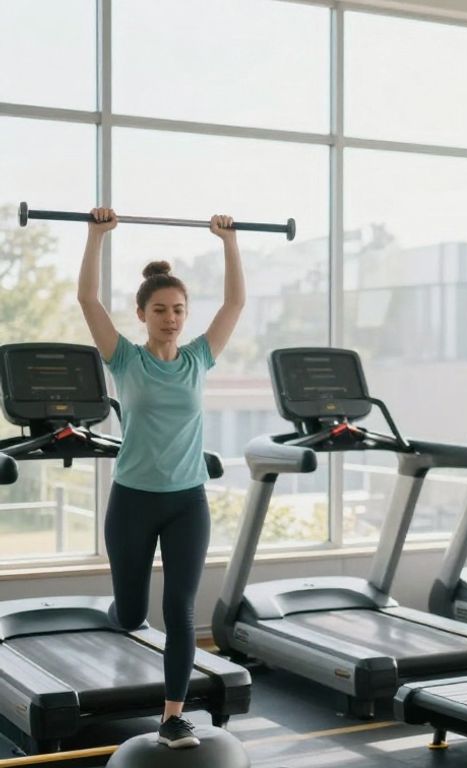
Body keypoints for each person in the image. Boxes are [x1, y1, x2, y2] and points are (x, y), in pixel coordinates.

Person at [77, 207, 245, 749]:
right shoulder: (124, 359)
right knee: (131, 614)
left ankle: (172, 716)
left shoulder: (199, 359)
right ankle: (115, 615)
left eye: (178, 310)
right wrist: (96, 236)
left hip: (187, 502)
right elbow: (88, 300)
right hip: (132, 501)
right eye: (160, 310)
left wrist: (229, 241)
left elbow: (235, 303)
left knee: (179, 610)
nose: (171, 318)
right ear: (142, 314)